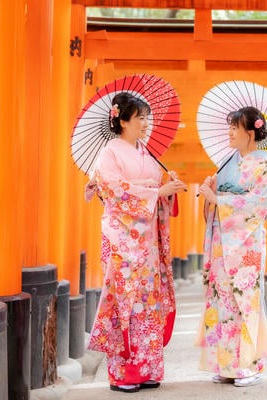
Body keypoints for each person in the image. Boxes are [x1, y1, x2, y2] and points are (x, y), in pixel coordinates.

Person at [85, 92, 187, 393]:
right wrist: (155, 190)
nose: (146, 123)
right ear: (123, 120)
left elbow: (154, 190)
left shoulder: (145, 152)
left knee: (148, 302)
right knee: (126, 302)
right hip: (123, 240)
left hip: (148, 244)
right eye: (140, 117)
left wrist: (167, 188)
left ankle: (148, 367)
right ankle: (123, 372)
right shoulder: (110, 154)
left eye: (146, 117)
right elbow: (114, 192)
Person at [196, 106, 267, 387]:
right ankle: (226, 365)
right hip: (224, 241)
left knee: (243, 301)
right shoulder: (227, 163)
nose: (230, 132)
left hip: (246, 245)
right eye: (230, 127)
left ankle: (248, 365)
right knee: (223, 301)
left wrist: (219, 198)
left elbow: (258, 204)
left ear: (251, 132)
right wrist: (211, 194)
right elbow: (215, 200)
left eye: (235, 127)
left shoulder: (264, 166)